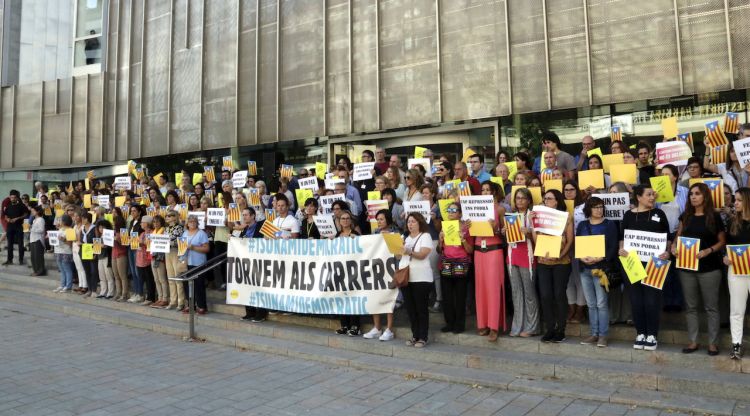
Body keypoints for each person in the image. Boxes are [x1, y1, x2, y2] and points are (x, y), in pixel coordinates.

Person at [672, 183, 726, 356]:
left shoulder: (714, 217)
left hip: (710, 268)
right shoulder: (685, 216)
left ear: (705, 196)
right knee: (691, 307)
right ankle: (693, 341)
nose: (693, 197)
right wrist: (673, 247)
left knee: (711, 307)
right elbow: (677, 238)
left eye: (697, 193)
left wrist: (708, 251)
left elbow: (722, 242)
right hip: (687, 268)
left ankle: (713, 343)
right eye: (691, 194)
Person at [619, 185, 671, 351]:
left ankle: (652, 335)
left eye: (653, 195)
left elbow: (667, 237)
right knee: (636, 299)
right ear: (638, 197)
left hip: (655, 263)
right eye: (648, 194)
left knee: (651, 300)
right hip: (632, 263)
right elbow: (623, 238)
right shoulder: (628, 215)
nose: (652, 197)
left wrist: (668, 252)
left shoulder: (659, 214)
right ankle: (640, 333)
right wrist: (621, 250)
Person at [576, 197, 619, 347]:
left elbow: (613, 248)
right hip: (585, 269)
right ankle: (594, 333)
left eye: (601, 207)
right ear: (589, 209)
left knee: (601, 303)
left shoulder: (609, 225)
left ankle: (603, 335)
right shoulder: (582, 225)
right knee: (591, 303)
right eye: (595, 207)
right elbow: (578, 245)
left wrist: (599, 257)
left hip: (601, 269)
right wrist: (582, 258)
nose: (599, 210)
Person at [533, 189, 574, 343]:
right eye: (544, 199)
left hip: (561, 262)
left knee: (559, 295)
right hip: (543, 261)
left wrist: (561, 254)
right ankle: (550, 329)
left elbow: (570, 239)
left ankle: (560, 330)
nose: (546, 201)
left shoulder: (566, 217)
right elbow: (535, 236)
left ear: (557, 200)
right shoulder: (538, 216)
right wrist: (533, 223)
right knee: (545, 295)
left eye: (549, 198)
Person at [473, 181, 507, 342]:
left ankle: (495, 326)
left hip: (494, 249)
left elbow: (505, 233)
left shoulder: (500, 209)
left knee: (493, 288)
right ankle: (483, 322)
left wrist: (495, 229)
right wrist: (467, 225)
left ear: (494, 192)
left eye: (488, 190)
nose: (485, 192)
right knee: (481, 288)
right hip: (479, 250)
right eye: (483, 189)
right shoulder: (474, 208)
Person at [504, 187, 539, 337]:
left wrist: (530, 233)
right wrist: (504, 232)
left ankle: (532, 327)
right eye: (517, 198)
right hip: (512, 257)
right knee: (516, 293)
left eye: (523, 198)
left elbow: (540, 241)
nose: (520, 201)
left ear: (529, 200)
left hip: (528, 257)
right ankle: (517, 326)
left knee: (529, 293)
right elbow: (508, 240)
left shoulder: (533, 216)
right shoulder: (510, 216)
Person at [397, 213, 433, 348]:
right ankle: (415, 335)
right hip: (406, 277)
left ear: (420, 223)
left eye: (413, 222)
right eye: (408, 222)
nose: (410, 224)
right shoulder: (404, 237)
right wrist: (398, 247)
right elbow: (397, 256)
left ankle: (423, 337)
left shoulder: (425, 236)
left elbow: (423, 254)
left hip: (421, 278)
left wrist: (409, 251)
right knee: (411, 309)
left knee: (421, 308)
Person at [438, 201, 473, 334]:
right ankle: (449, 323)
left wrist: (463, 239)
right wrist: (441, 241)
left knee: (460, 296)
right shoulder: (444, 227)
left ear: (460, 213)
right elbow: (438, 250)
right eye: (449, 210)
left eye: (454, 210)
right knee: (447, 295)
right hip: (446, 262)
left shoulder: (466, 228)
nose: (451, 213)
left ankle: (459, 324)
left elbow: (470, 250)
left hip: (461, 263)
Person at [724, 188, 750, 359]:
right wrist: (726, 257)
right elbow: (728, 245)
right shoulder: (733, 221)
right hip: (737, 269)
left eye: (739, 200)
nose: (735, 203)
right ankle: (736, 345)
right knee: (736, 309)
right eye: (735, 200)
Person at [334, 211, 362, 336]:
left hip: (353, 271)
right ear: (339, 221)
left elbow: (363, 249)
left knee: (353, 298)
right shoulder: (337, 235)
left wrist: (356, 241)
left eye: (347, 218)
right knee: (341, 298)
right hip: (340, 271)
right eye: (343, 218)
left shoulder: (355, 234)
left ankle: (355, 325)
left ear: (351, 221)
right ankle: (344, 325)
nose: (345, 220)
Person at [238, 207, 269, 323]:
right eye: (243, 215)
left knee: (259, 288)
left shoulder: (261, 227)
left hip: (259, 262)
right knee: (247, 288)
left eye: (246, 215)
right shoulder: (244, 229)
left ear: (252, 216)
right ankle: (250, 312)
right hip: (247, 262)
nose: (244, 217)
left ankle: (261, 313)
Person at [181, 215, 210, 314]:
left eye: (194, 221)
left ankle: (202, 306)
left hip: (198, 263)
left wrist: (193, 248)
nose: (192, 223)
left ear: (197, 223)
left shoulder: (201, 233)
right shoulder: (185, 233)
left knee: (199, 285)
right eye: (190, 221)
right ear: (187, 223)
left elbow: (206, 249)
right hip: (186, 262)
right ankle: (190, 305)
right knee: (187, 285)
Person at [3, 190, 30, 266]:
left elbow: (26, 215)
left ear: (17, 198)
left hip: (19, 226)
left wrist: (17, 218)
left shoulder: (22, 206)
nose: (13, 199)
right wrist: (7, 219)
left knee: (20, 243)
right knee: (9, 243)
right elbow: (5, 215)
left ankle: (21, 259)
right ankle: (9, 259)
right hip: (10, 226)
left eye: (14, 197)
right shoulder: (8, 206)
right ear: (10, 198)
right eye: (11, 197)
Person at [52, 214, 76, 293]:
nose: (59, 222)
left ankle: (68, 286)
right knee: (62, 269)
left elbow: (70, 243)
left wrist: (63, 239)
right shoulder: (60, 229)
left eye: (60, 220)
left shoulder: (70, 230)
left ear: (64, 221)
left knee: (67, 269)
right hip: (58, 250)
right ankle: (62, 285)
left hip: (66, 252)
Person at [95, 219, 116, 299]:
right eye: (99, 228)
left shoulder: (109, 235)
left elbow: (110, 246)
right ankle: (103, 291)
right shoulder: (99, 236)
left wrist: (105, 245)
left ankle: (110, 292)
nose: (101, 229)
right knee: (102, 276)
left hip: (107, 257)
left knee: (109, 275)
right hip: (100, 257)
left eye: (103, 227)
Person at [111, 213, 129, 302]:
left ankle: (124, 294)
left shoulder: (123, 231)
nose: (113, 224)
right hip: (114, 254)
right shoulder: (112, 231)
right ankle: (118, 292)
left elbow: (125, 245)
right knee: (116, 276)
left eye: (114, 222)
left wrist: (117, 239)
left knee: (122, 276)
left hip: (121, 254)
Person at [29, 205, 47, 276]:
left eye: (33, 211)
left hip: (38, 240)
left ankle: (40, 271)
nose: (32, 212)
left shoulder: (41, 219)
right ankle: (35, 270)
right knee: (33, 257)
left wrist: (31, 229)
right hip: (33, 239)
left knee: (38, 257)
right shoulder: (34, 220)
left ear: (38, 211)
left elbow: (41, 230)